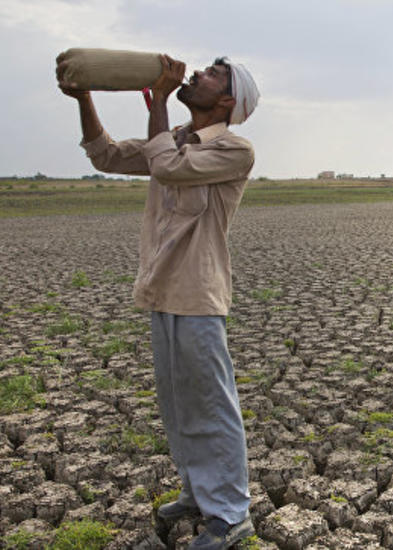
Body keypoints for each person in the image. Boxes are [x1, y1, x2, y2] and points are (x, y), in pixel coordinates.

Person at [58, 53, 259, 550]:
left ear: (228, 99)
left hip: (197, 292)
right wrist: (85, 96)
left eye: (211, 74)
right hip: (162, 290)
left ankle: (232, 513)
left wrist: (161, 101)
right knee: (178, 405)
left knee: (211, 405)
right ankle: (198, 493)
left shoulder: (234, 149)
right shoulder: (175, 141)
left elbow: (166, 167)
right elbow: (104, 155)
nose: (196, 75)